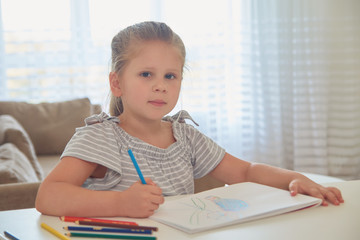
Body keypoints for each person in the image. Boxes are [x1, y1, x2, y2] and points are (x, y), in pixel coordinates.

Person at [35, 21, 343, 218]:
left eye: (171, 75)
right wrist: (120, 204)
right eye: (146, 74)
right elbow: (48, 196)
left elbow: (246, 171)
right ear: (117, 83)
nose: (161, 85)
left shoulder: (185, 136)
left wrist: (295, 178)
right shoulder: (101, 138)